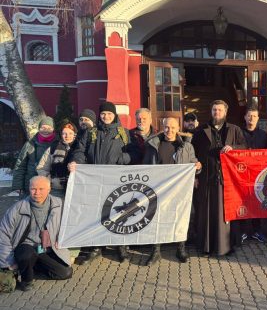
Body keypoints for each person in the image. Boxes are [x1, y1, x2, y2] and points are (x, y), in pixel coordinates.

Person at [69, 101, 140, 263]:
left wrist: (123, 159)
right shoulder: (91, 132)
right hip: (95, 180)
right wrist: (77, 162)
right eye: (103, 114)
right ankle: (96, 247)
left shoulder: (124, 133)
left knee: (119, 211)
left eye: (109, 114)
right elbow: (80, 151)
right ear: (99, 116)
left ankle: (120, 246)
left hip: (117, 180)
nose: (106, 116)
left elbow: (135, 153)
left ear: (114, 115)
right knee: (97, 212)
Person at [191, 100, 247, 256]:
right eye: (214, 110)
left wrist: (234, 148)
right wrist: (195, 175)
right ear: (211, 111)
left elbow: (245, 149)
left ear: (225, 112)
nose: (217, 113)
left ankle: (226, 246)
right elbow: (192, 154)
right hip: (206, 179)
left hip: (228, 180)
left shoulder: (234, 130)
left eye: (220, 110)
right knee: (206, 213)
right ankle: (207, 246)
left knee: (226, 213)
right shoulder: (200, 131)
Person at [143, 117, 202, 264]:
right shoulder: (153, 144)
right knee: (157, 219)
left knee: (180, 218)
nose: (170, 130)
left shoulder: (186, 146)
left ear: (178, 128)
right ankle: (155, 251)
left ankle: (180, 249)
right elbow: (145, 167)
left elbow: (193, 163)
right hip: (159, 189)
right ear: (162, 127)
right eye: (167, 127)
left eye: (173, 127)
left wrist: (198, 168)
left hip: (180, 191)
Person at [0, 176, 72, 291]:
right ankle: (26, 280)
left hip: (48, 248)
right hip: (26, 246)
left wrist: (64, 242)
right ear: (29, 189)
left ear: (49, 189)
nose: (37, 193)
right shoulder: (18, 208)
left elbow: (70, 226)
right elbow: (3, 234)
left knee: (65, 273)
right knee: (26, 255)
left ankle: (32, 267)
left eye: (41, 189)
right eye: (33, 189)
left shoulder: (59, 205)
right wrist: (8, 264)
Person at [240, 105, 267, 244]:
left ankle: (257, 230)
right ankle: (243, 231)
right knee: (243, 201)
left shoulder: (264, 135)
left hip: (259, 175)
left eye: (254, 116)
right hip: (242, 174)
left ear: (258, 118)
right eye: (249, 116)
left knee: (258, 202)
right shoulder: (238, 133)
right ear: (245, 117)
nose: (251, 119)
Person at [12, 116, 58, 195]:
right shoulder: (30, 144)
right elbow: (20, 166)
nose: (45, 130)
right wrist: (18, 186)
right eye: (43, 127)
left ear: (53, 129)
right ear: (39, 128)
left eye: (49, 128)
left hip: (52, 186)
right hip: (31, 186)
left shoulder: (59, 144)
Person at [36, 120, 78, 199]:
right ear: (61, 134)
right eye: (64, 133)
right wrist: (49, 180)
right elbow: (41, 167)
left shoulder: (80, 149)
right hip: (56, 189)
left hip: (75, 189)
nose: (67, 136)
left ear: (74, 135)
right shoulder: (53, 147)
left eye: (70, 133)